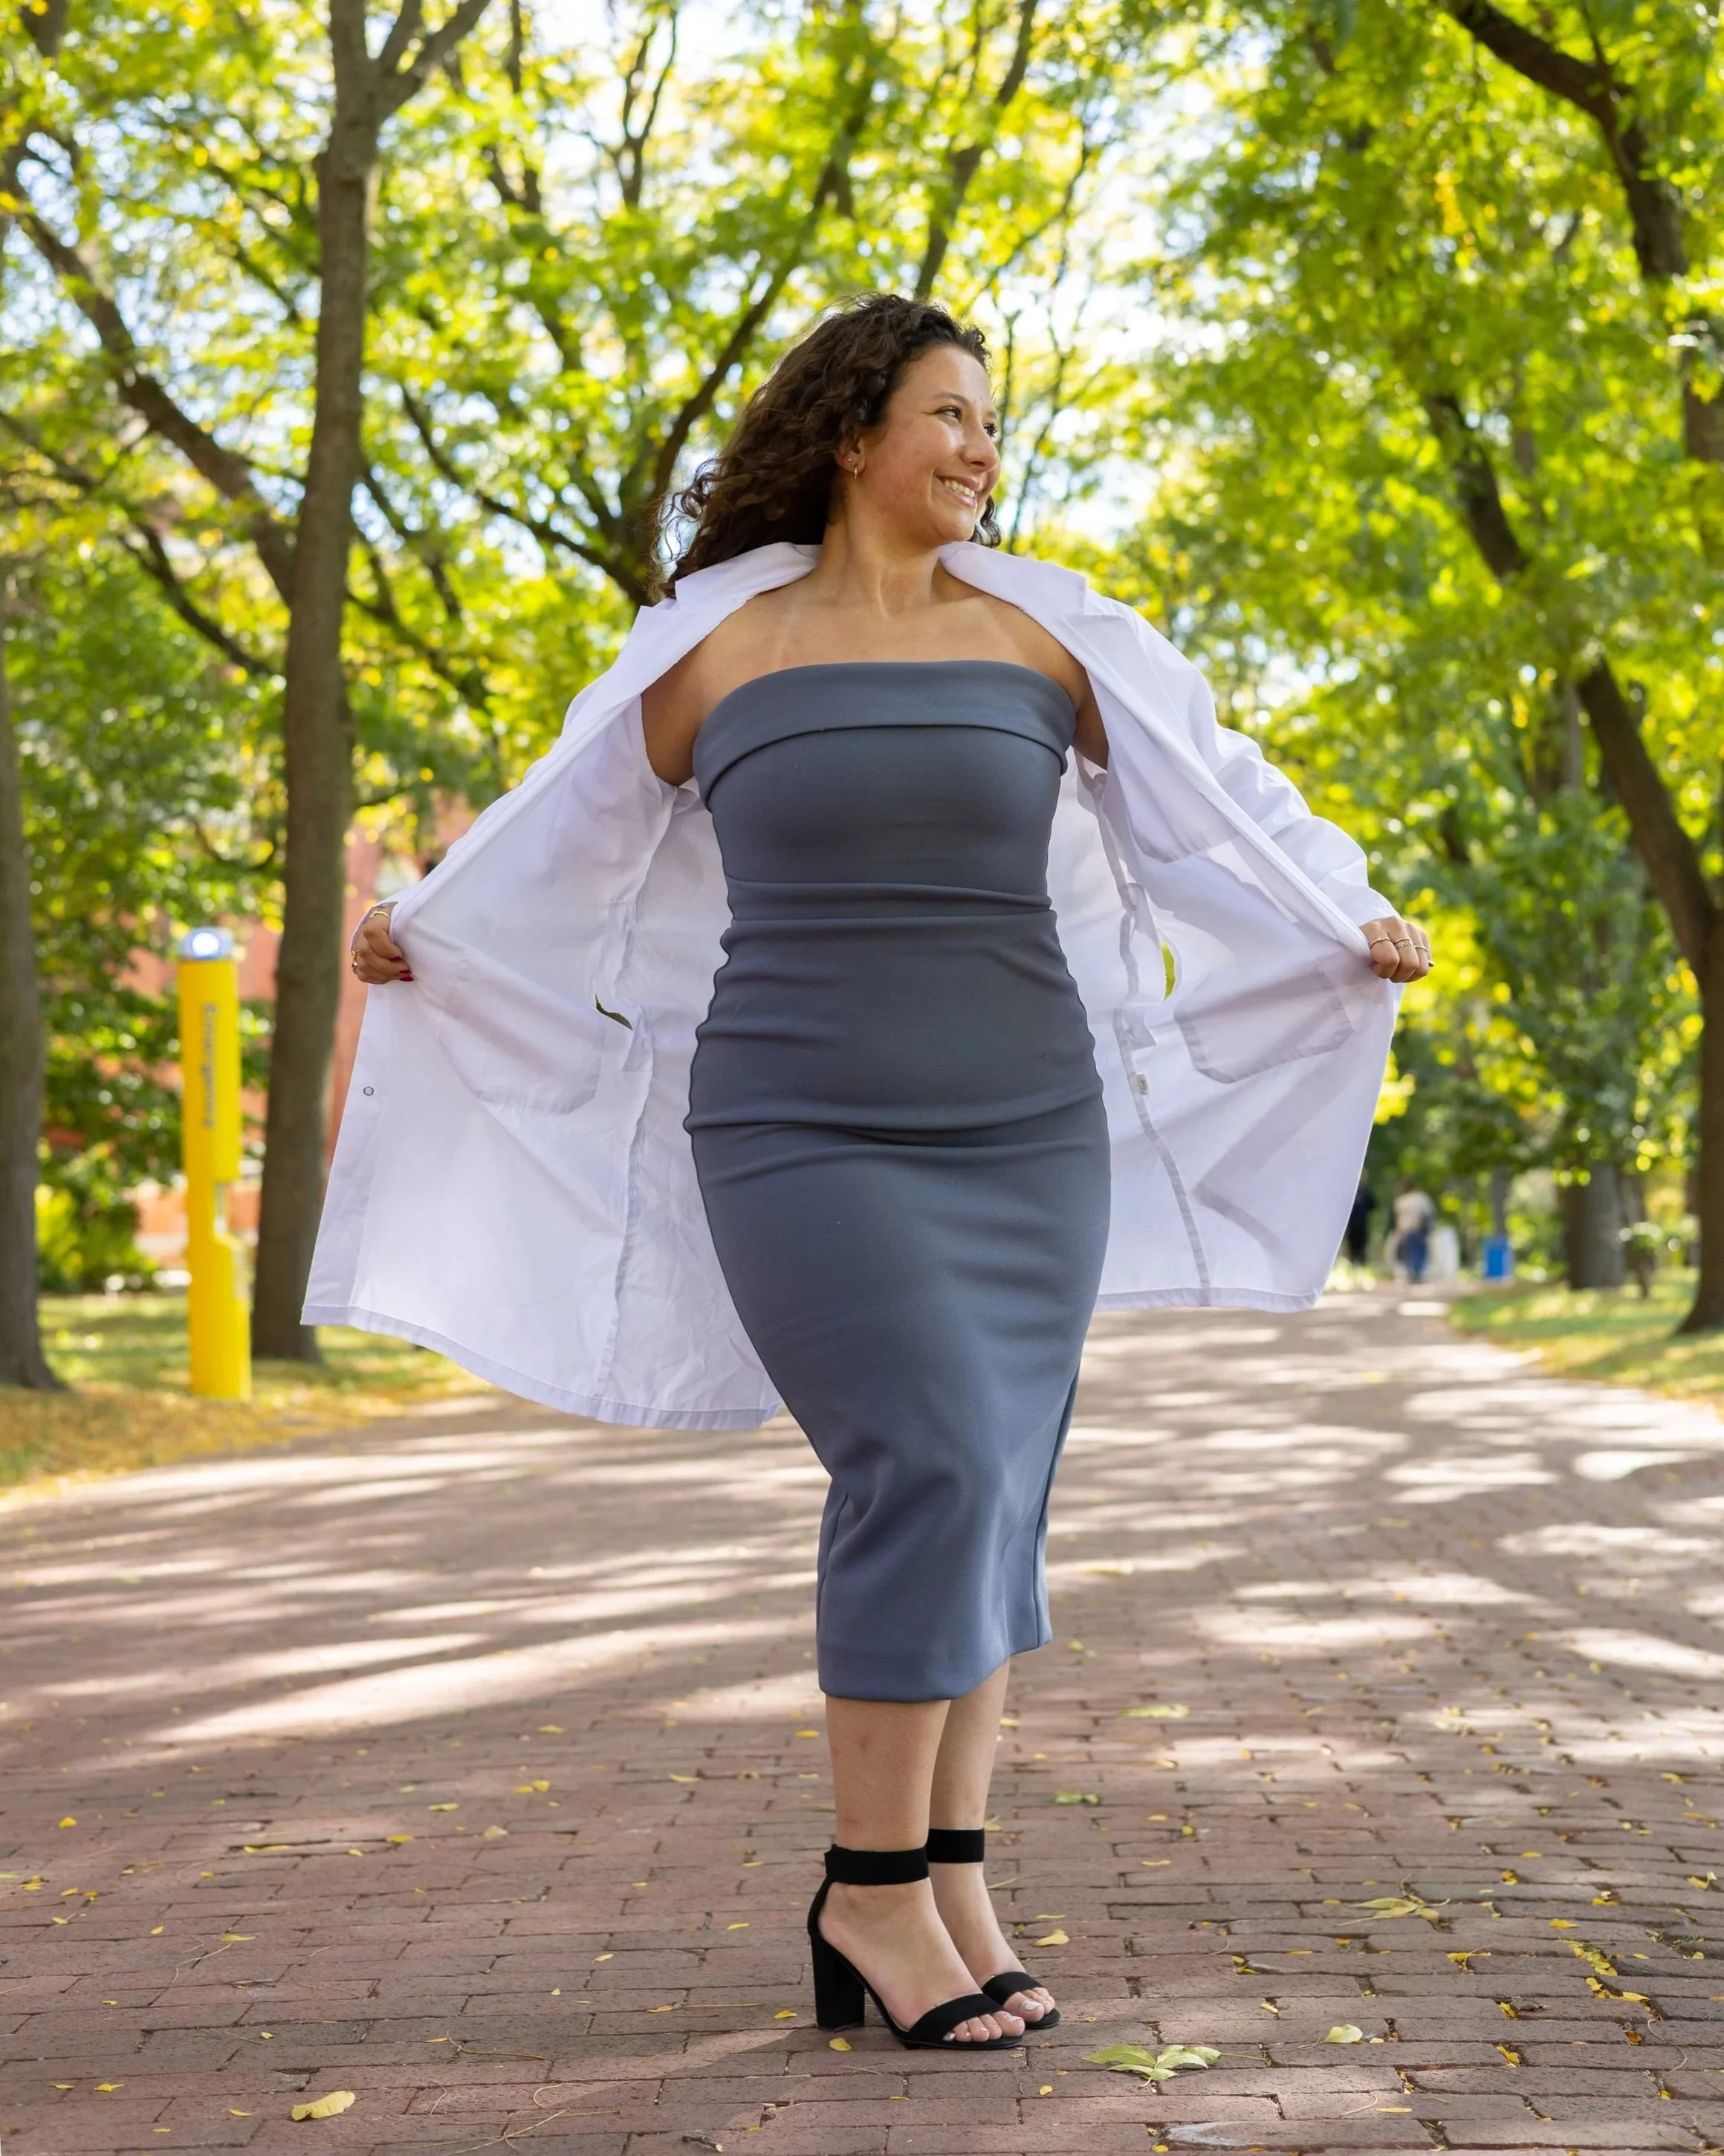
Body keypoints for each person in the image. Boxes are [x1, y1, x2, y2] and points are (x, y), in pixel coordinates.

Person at [329, 294, 1432, 2051]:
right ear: (854, 434)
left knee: (998, 1488)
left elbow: (1218, 800)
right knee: (919, 1453)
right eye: (951, 416)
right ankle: (864, 1881)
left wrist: (1337, 911)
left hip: (1027, 1128)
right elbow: (559, 837)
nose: (982, 452)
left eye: (992, 425)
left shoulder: (1046, 639)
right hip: (798, 1124)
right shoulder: (716, 652)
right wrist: (426, 928)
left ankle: (950, 1877)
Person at [1393, 1182, 1436, 1283]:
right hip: (1419, 1228)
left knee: (1409, 1251)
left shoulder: (1401, 1201)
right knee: (1420, 1251)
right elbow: (1429, 1214)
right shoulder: (1422, 1199)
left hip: (1405, 1229)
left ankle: (1412, 1272)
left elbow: (1397, 1218)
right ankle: (1418, 1273)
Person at [1345, 1172, 1377, 1267]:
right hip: (1352, 1225)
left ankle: (1361, 1265)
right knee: (1352, 1247)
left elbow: (1373, 1205)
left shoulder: (1366, 1193)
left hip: (1362, 1225)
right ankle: (1353, 1265)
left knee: (1362, 1247)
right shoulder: (1351, 1193)